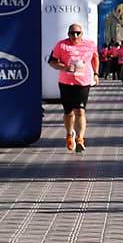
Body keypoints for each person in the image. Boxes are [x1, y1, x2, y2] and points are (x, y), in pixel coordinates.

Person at [47, 22, 98, 152]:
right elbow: (52, 62)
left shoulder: (90, 45)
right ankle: (69, 135)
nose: (75, 36)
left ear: (82, 34)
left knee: (80, 111)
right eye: (72, 33)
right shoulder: (61, 45)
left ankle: (80, 139)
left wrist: (96, 74)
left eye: (78, 33)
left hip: (83, 83)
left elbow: (95, 59)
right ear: (68, 34)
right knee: (68, 113)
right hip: (65, 83)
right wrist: (65, 67)